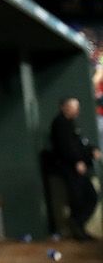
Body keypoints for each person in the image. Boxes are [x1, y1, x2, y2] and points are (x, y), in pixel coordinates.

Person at [49, 97, 101, 241]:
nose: (77, 110)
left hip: (80, 168)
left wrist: (91, 151)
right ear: (64, 107)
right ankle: (77, 227)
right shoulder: (60, 124)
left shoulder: (71, 124)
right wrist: (77, 161)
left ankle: (79, 226)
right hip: (70, 169)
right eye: (74, 107)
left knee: (91, 196)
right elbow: (66, 147)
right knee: (79, 199)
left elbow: (80, 144)